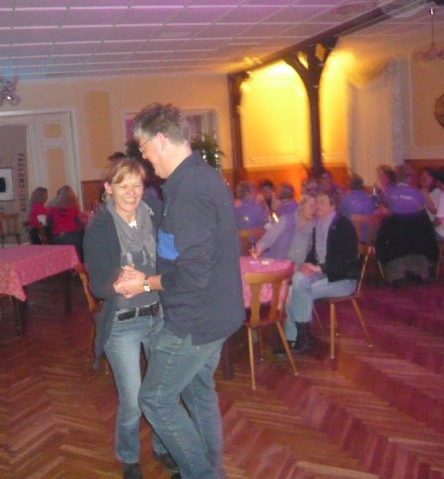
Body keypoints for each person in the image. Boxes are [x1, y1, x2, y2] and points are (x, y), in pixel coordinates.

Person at [116, 103, 244, 479]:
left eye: (143, 147)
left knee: (154, 399)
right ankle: (209, 470)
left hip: (193, 320)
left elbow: (191, 276)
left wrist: (144, 282)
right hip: (213, 314)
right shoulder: (198, 179)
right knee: (197, 392)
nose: (144, 156)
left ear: (160, 140)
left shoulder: (189, 193)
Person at [83, 158, 172, 479]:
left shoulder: (156, 213)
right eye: (124, 186)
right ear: (109, 188)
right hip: (123, 322)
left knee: (162, 393)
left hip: (159, 316)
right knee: (133, 399)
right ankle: (129, 456)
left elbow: (172, 260)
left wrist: (146, 279)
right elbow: (97, 285)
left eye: (137, 185)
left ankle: (163, 447)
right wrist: (118, 283)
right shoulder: (100, 225)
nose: (132, 192)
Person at [284, 190, 359, 352]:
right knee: (292, 287)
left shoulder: (343, 225)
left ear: (333, 206)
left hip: (342, 279)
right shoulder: (318, 226)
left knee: (299, 290)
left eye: (322, 202)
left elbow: (346, 261)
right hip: (323, 275)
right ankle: (293, 338)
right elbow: (314, 255)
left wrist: (320, 268)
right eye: (317, 202)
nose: (317, 205)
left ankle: (301, 339)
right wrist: (306, 265)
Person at [252, 183, 298, 259]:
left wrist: (270, 212)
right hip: (289, 246)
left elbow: (274, 223)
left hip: (281, 248)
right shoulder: (295, 205)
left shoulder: (284, 209)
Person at [46, 185, 88, 260]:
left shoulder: (52, 209)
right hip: (74, 237)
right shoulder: (74, 209)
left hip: (57, 239)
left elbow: (49, 224)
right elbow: (80, 224)